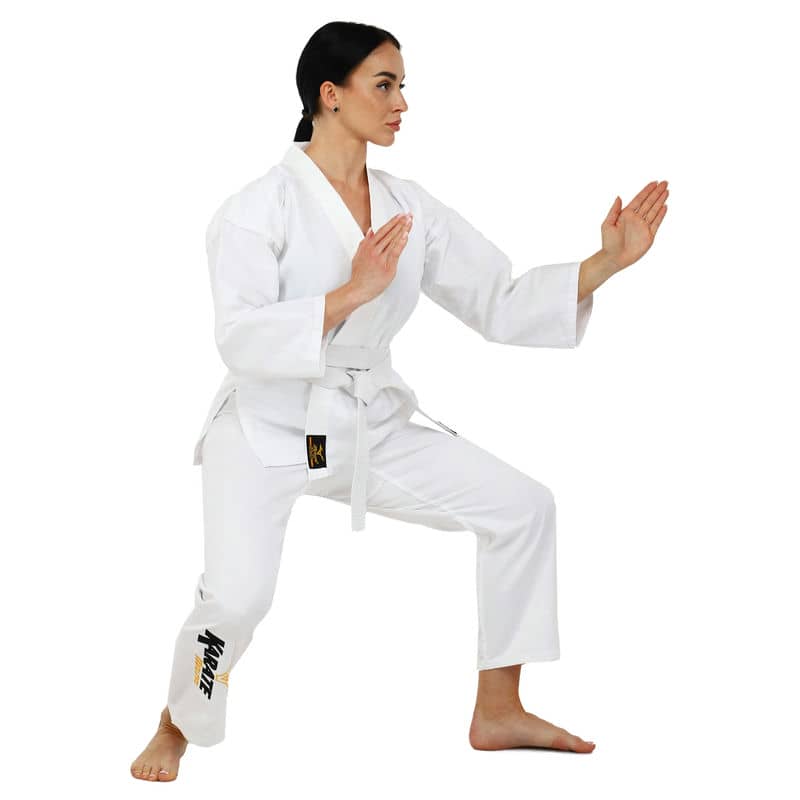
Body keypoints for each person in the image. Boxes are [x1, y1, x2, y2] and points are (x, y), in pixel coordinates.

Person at [130, 20, 668, 782]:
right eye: (384, 85)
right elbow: (240, 338)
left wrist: (604, 264)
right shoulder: (257, 208)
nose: (402, 104)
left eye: (403, 86)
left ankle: (499, 709)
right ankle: (177, 722)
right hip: (265, 428)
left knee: (523, 508)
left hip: (365, 423)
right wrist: (352, 292)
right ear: (330, 94)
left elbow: (500, 301)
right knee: (237, 600)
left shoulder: (406, 207)